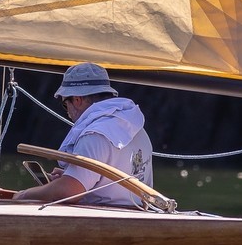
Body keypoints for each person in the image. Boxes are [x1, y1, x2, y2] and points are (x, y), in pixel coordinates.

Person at [12, 63, 153, 208]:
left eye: (65, 104)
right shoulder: (136, 128)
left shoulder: (94, 135)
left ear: (77, 100)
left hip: (104, 218)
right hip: (138, 214)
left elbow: (68, 191)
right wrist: (72, 175)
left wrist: (23, 195)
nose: (67, 112)